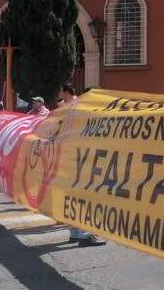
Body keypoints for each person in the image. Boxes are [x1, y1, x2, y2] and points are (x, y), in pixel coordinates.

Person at [55, 83, 107, 247]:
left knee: (73, 193)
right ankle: (84, 233)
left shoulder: (70, 107)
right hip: (81, 156)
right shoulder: (82, 108)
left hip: (71, 154)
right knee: (84, 194)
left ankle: (76, 231)